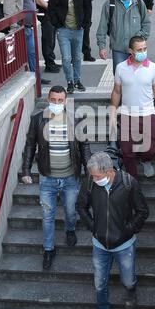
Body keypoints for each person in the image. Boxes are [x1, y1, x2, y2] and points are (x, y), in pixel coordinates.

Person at [76, 152, 149, 309]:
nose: (94, 179)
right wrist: (93, 227)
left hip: (124, 245)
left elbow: (142, 211)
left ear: (109, 172)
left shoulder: (128, 183)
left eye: (97, 176)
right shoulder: (91, 182)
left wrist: (128, 230)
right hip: (99, 245)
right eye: (92, 176)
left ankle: (131, 289)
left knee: (127, 278)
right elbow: (81, 207)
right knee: (99, 283)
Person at [21, 85, 91, 269]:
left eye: (60, 100)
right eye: (53, 100)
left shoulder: (76, 119)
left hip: (70, 178)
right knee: (47, 215)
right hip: (47, 178)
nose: (57, 103)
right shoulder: (38, 120)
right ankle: (48, 249)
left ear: (66, 101)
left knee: (70, 210)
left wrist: (89, 170)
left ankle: (70, 229)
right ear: (48, 99)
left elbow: (84, 147)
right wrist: (26, 171)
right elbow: (30, 145)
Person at [110, 36, 155, 179]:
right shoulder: (121, 68)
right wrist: (113, 111)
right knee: (127, 150)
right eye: (139, 49)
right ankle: (131, 179)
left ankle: (145, 160)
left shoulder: (152, 68)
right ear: (131, 51)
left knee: (151, 148)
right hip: (128, 114)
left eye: (145, 48)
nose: (143, 52)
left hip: (148, 113)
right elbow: (117, 91)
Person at [48, 0, 92, 94]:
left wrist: (86, 24)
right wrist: (57, 24)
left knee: (77, 57)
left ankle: (78, 81)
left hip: (78, 29)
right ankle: (70, 82)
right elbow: (51, 9)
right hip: (63, 30)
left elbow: (88, 6)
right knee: (66, 58)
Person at [3, 0, 50, 84]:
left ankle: (36, 76)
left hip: (29, 26)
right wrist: (14, 28)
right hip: (20, 27)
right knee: (23, 54)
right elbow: (8, 10)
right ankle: (30, 77)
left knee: (32, 52)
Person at [97, 0, 151, 74]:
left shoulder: (139, 3)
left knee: (138, 77)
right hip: (118, 50)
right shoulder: (110, 3)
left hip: (136, 50)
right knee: (120, 78)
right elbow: (102, 27)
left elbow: (146, 23)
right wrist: (102, 47)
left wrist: (140, 38)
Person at [33, 0, 61, 73]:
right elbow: (39, 0)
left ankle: (52, 61)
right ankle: (49, 64)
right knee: (47, 39)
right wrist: (52, 8)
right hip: (46, 14)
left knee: (52, 39)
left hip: (51, 14)